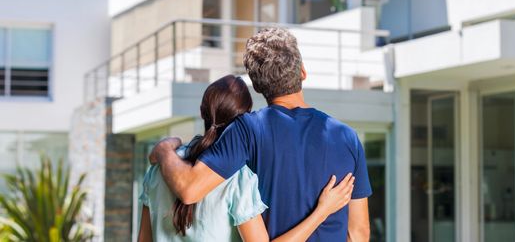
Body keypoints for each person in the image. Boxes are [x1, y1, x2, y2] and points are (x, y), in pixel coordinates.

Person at [150, 28, 372, 241]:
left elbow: (189, 190)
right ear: (303, 72)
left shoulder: (246, 130)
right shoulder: (347, 137)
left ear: (256, 86)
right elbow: (359, 233)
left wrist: (163, 150)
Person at [138, 75, 355, 241]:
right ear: (243, 119)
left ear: (202, 111)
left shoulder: (157, 171)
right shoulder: (238, 179)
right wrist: (322, 210)